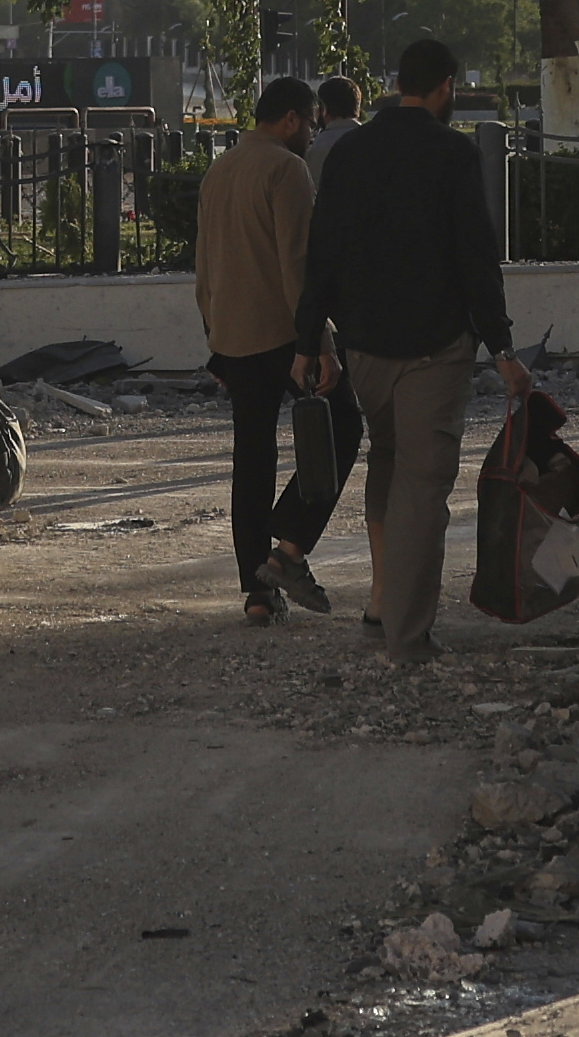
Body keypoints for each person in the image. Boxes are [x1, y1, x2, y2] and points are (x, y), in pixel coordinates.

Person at [297, 36, 520, 664]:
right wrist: (501, 345)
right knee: (423, 487)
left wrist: (309, 340)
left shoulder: (351, 151)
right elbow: (476, 258)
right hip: (435, 347)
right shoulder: (451, 153)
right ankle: (407, 635)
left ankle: (382, 603)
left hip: (363, 344)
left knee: (388, 463)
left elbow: (323, 252)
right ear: (446, 85)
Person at [193, 74, 344, 620]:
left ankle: (257, 593)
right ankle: (288, 549)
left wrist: (215, 338)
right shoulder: (287, 169)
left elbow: (205, 263)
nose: (313, 131)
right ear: (290, 119)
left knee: (252, 458)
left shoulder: (221, 168)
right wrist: (320, 342)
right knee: (339, 428)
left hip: (233, 336)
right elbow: (297, 265)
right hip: (284, 335)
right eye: (311, 121)